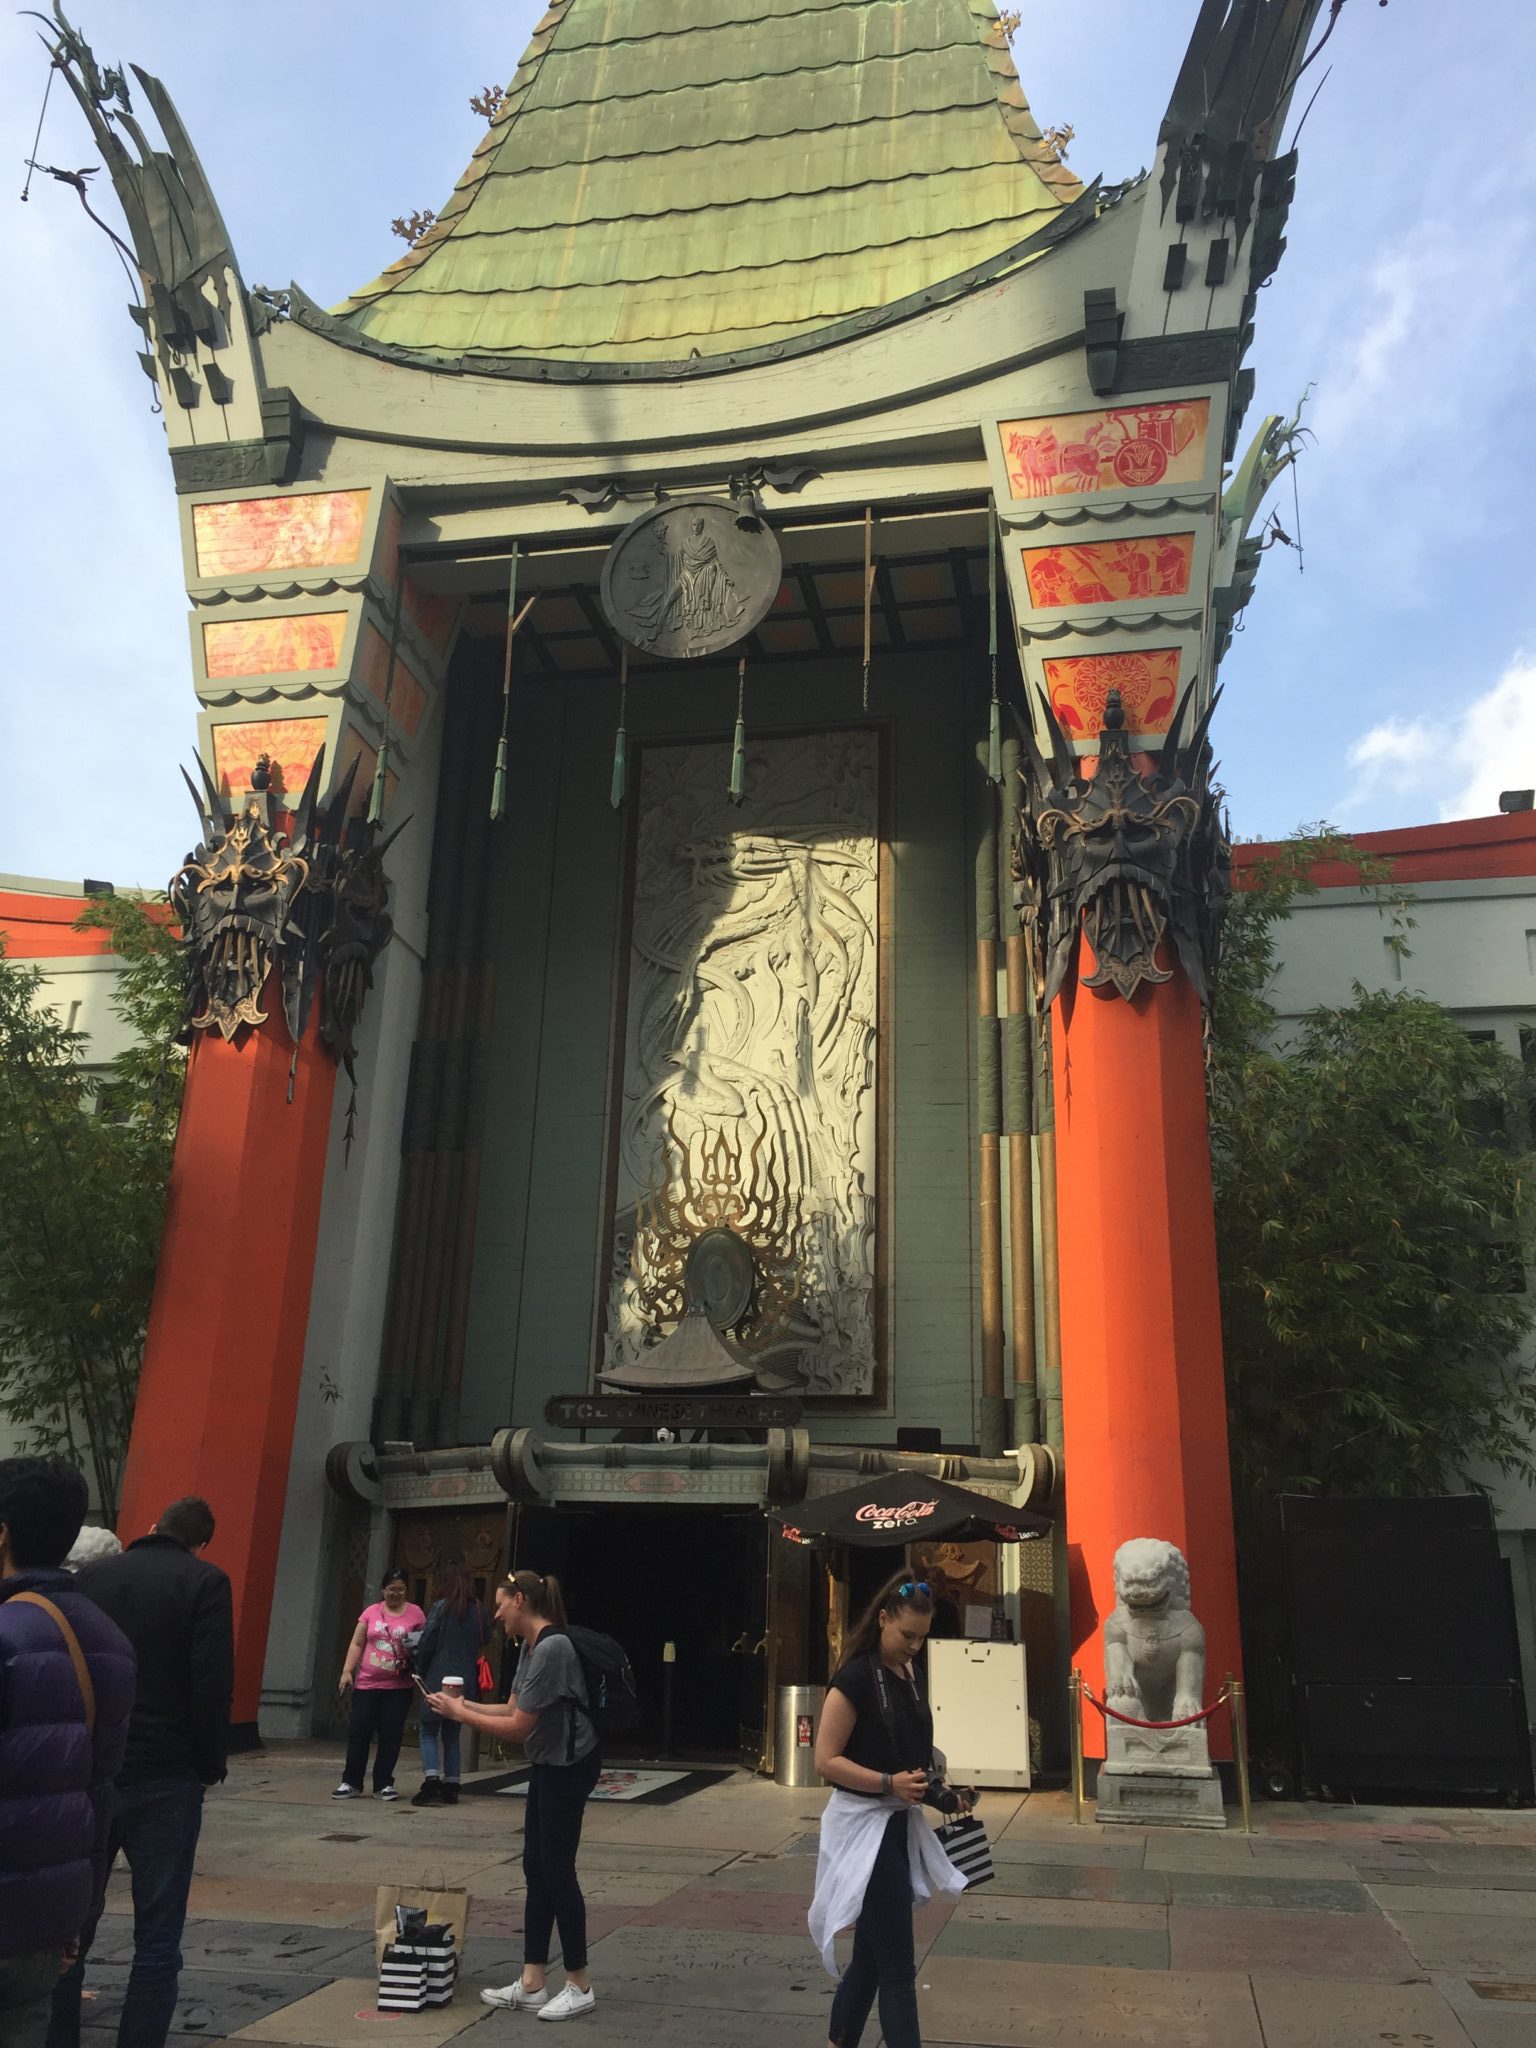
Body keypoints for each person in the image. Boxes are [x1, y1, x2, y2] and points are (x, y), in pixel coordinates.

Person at [48, 1496, 233, 2048]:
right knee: (157, 1935)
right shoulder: (205, 1582)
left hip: (96, 1766)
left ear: (153, 1526)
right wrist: (208, 1764)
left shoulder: (93, 1578)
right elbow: (211, 1682)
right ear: (200, 1544)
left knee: (72, 1928)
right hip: (166, 1770)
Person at [0, 1458, 135, 2048]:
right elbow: (98, 1792)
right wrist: (77, 1913)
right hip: (41, 1922)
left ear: (2, 1533)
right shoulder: (107, 1639)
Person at [427, 1570, 598, 2023]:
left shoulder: (553, 1648)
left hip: (569, 1766)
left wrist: (460, 1714)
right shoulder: (530, 1646)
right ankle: (532, 1981)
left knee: (558, 1870)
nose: (496, 1614)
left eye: (501, 1605)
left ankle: (580, 1984)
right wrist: (457, 1705)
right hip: (548, 1763)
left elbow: (519, 1728)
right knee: (536, 1867)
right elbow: (511, 1707)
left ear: (520, 1600)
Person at [809, 1574, 970, 2048]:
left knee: (870, 1961)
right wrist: (887, 1783)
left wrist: (943, 1794)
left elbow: (910, 1759)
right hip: (863, 1828)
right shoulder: (854, 1679)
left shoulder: (907, 1674)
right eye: (907, 1636)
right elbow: (825, 1761)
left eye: (922, 1638)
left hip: (897, 1822)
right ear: (882, 1619)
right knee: (898, 1969)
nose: (914, 1647)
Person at [335, 1569, 425, 1801]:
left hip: (398, 1687)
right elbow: (357, 1643)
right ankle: (351, 1781)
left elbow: (423, 1645)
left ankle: (383, 1783)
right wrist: (347, 1671)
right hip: (367, 1684)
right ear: (383, 1590)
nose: (396, 1594)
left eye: (401, 1589)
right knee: (359, 1733)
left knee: (391, 1736)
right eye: (391, 1589)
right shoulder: (371, 1612)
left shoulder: (416, 1614)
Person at [411, 1561, 490, 1807]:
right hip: (465, 1676)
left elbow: (427, 1641)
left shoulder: (441, 1607)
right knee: (453, 1733)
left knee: (428, 1729)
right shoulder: (479, 1609)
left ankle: (432, 1780)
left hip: (438, 1674)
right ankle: (452, 1784)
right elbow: (486, 1638)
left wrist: (420, 1668)